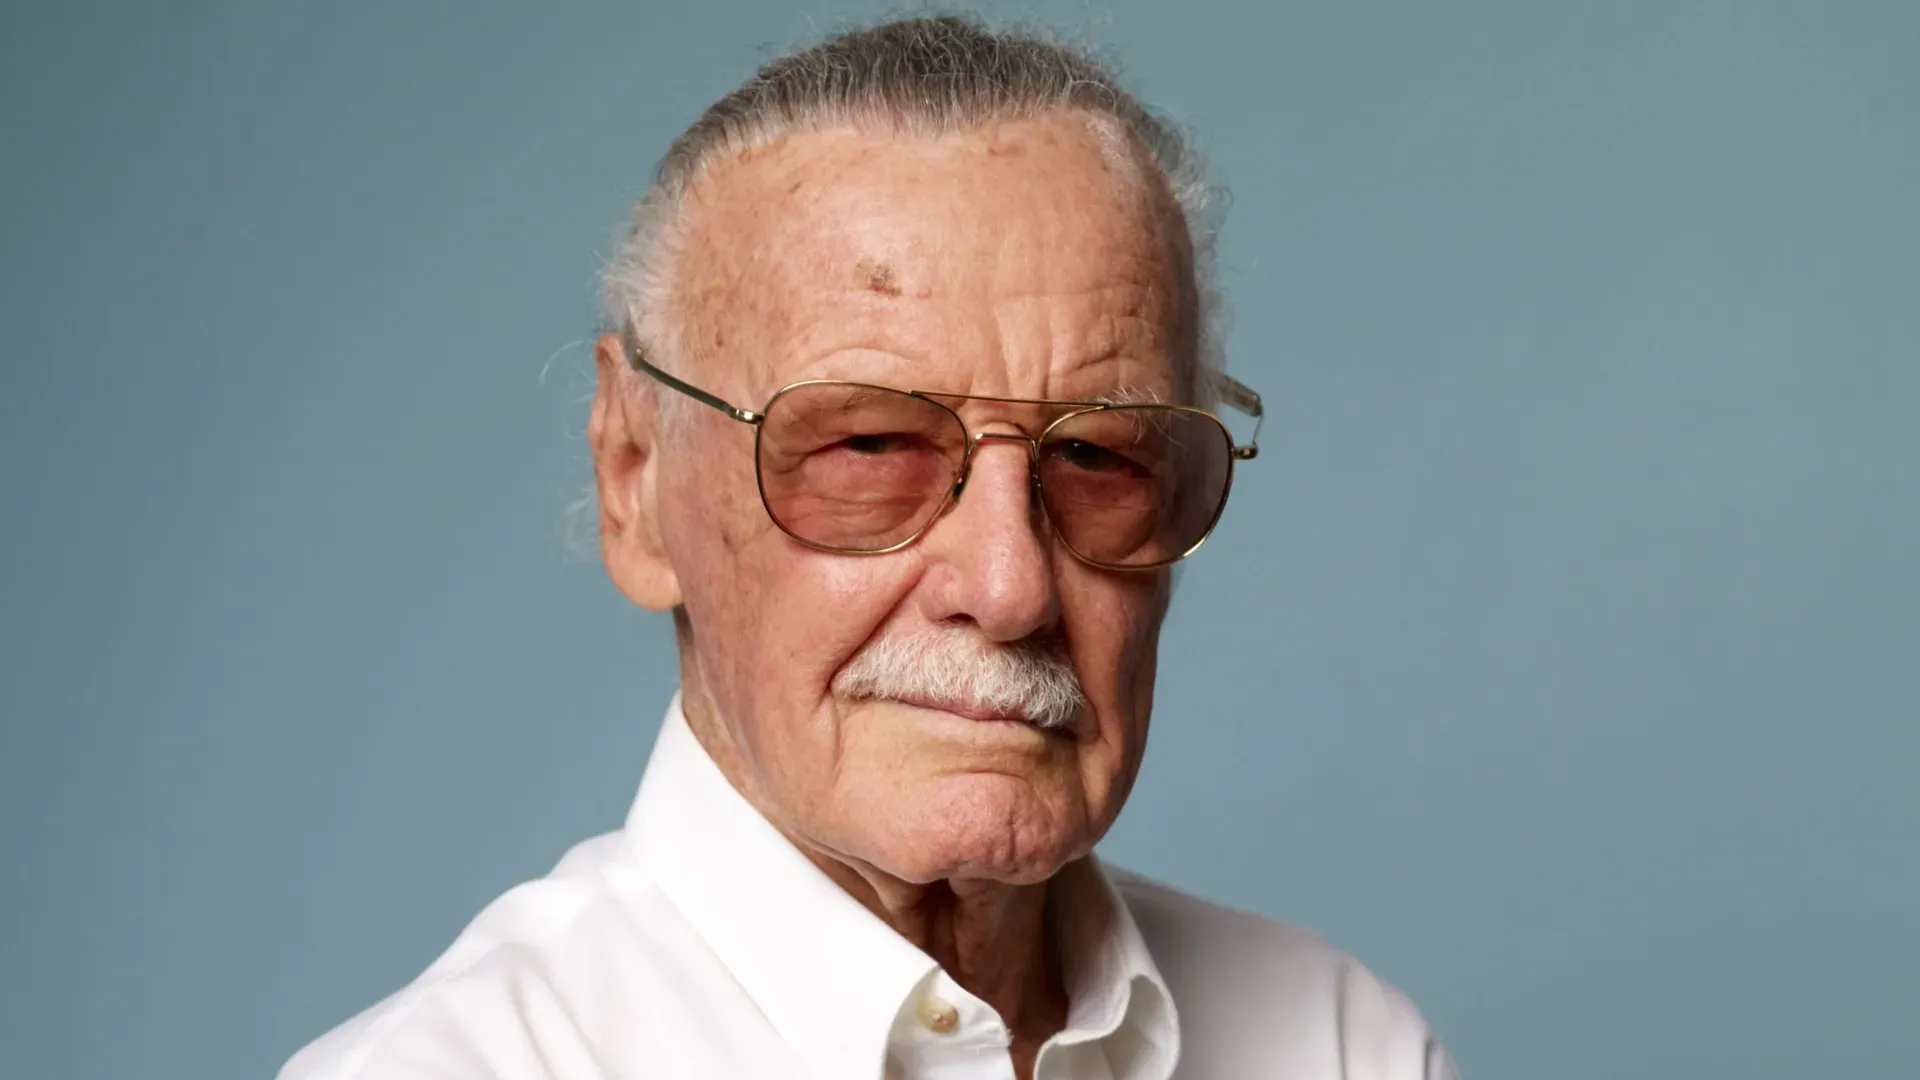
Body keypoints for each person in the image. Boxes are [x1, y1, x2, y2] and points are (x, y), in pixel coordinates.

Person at [281, 14, 1456, 1080]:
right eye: (869, 446)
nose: (1008, 587)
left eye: (1099, 459)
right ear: (634, 477)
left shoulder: (1345, 1049)